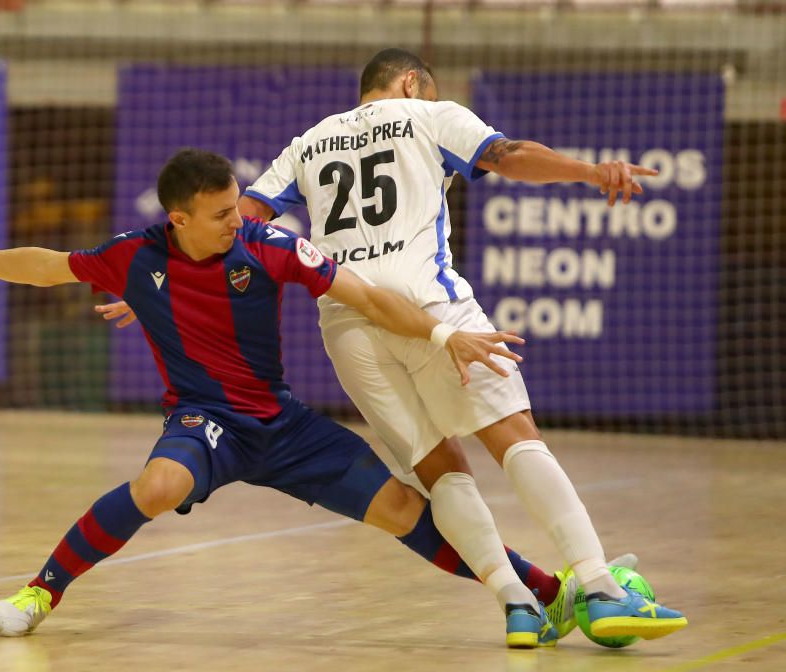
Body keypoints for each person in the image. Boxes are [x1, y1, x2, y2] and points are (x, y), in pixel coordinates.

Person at [0, 148, 567, 648]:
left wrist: (443, 332)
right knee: (158, 487)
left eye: (235, 208)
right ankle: (40, 592)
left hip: (282, 425)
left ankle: (543, 589)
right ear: (178, 219)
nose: (236, 221)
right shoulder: (135, 256)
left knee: (404, 509)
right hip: (205, 421)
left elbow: (369, 297)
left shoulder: (269, 246)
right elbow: (47, 265)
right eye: (220, 215)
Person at [236, 49, 686, 641]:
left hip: (346, 321)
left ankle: (518, 607)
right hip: (428, 306)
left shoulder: (309, 142)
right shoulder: (429, 114)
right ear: (411, 82)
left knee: (438, 469)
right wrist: (589, 171)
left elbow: (243, 216)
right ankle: (601, 590)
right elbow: (510, 156)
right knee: (514, 437)